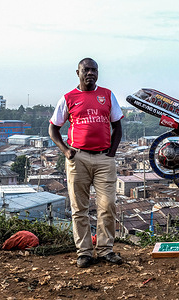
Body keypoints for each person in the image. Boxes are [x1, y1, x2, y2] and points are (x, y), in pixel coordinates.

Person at [49, 58, 124, 268]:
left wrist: (112, 152)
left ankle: (105, 249)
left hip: (104, 159)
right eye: (86, 70)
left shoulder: (107, 95)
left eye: (94, 70)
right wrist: (65, 150)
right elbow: (53, 128)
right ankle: (84, 252)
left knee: (107, 205)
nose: (90, 73)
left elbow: (117, 126)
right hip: (78, 158)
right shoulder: (68, 98)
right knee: (79, 208)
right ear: (78, 72)